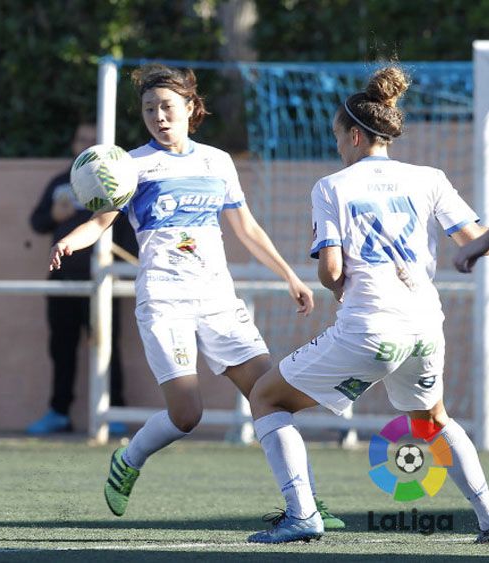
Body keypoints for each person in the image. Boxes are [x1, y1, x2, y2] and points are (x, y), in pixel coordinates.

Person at [49, 63, 343, 529]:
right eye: (149, 109)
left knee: (271, 397)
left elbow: (245, 227)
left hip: (218, 301)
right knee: (186, 414)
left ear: (190, 107)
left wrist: (290, 274)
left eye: (167, 106)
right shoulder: (131, 165)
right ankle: (129, 460)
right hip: (164, 301)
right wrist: (71, 239)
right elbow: (101, 221)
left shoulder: (217, 161)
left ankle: (304, 505)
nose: (158, 116)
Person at [246, 65, 489, 544]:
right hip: (423, 326)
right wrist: (470, 251)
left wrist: (334, 288)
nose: (337, 148)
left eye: (338, 138)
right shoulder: (429, 178)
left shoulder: (332, 186)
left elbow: (332, 270)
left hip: (370, 328)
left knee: (266, 397)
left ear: (355, 135)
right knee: (432, 420)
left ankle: (303, 515)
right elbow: (476, 239)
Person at [27, 122, 135, 435]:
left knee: (108, 348)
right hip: (63, 279)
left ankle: (113, 412)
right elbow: (37, 221)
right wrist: (54, 217)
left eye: (94, 140)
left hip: (103, 280)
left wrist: (119, 268)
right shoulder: (61, 182)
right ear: (74, 144)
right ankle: (59, 412)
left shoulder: (119, 181)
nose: (87, 144)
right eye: (82, 139)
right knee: (61, 349)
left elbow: (125, 229)